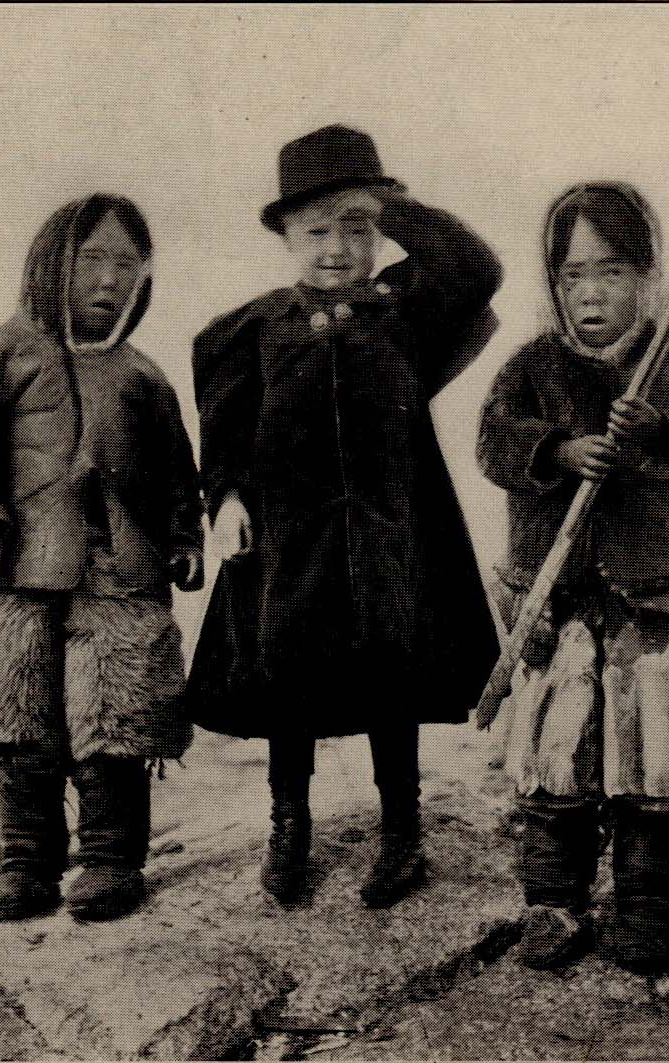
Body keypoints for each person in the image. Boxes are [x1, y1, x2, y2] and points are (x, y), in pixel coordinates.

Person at [188, 124, 501, 910]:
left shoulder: (406, 311)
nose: (337, 246)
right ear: (287, 236)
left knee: (390, 676)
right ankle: (288, 823)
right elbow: (223, 436)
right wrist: (224, 501)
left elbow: (477, 269)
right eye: (317, 229)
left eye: (355, 227)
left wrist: (397, 208)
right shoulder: (249, 331)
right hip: (289, 541)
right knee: (290, 679)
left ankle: (402, 833)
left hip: (393, 532)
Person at [476, 182, 669, 973]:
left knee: (651, 768)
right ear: (553, 283)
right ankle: (552, 905)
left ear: (649, 277)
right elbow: (493, 442)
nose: (590, 294)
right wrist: (557, 450)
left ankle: (648, 912)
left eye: (613, 273)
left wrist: (660, 430)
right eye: (573, 276)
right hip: (555, 600)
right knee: (555, 758)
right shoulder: (530, 368)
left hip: (652, 601)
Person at [0, 194, 204, 924]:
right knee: (22, 714)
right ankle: (26, 862)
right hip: (19, 568)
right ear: (55, 261)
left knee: (117, 711)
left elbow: (178, 471)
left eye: (125, 264)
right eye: (92, 261)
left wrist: (182, 537)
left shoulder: (142, 375)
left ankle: (112, 859)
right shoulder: (2, 354)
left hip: (120, 570)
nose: (108, 280)